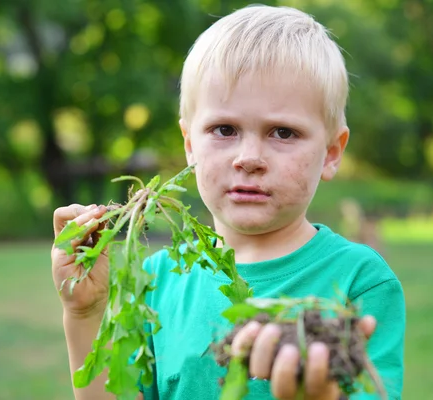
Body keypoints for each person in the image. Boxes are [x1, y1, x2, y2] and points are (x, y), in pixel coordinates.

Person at [51, 4, 406, 400]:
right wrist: (86, 314)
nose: (249, 157)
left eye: (283, 133)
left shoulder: (359, 282)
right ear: (189, 145)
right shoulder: (156, 282)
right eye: (224, 129)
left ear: (331, 152)